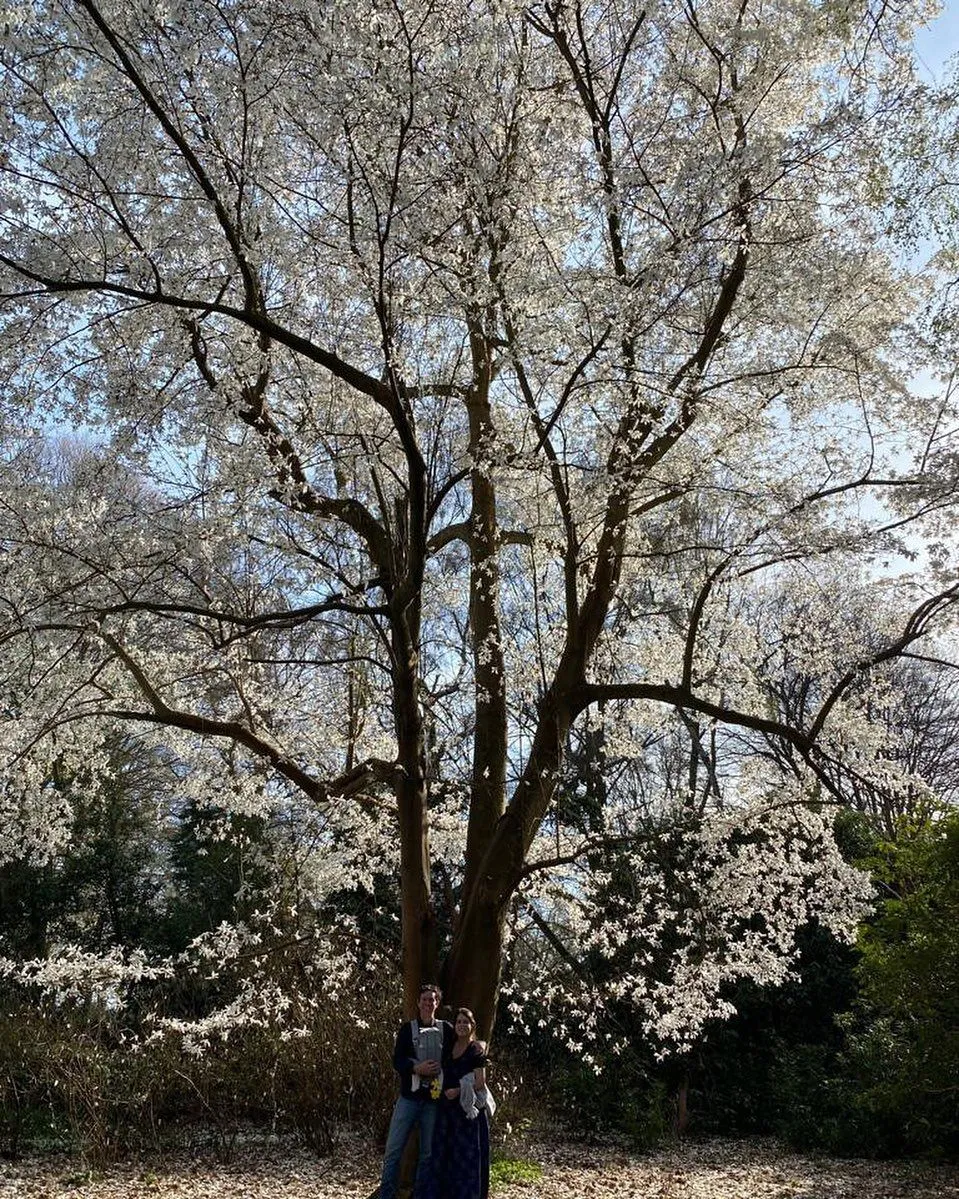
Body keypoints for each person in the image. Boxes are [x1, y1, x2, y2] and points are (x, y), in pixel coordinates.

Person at [378, 983, 455, 1199]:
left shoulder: (446, 1029)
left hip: (433, 1101)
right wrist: (415, 1067)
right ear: (418, 1002)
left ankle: (422, 1195)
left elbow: (459, 1052)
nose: (428, 1003)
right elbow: (397, 1061)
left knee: (428, 1154)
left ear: (437, 1003)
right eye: (424, 1000)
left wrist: (480, 1046)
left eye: (432, 1000)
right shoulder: (406, 1029)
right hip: (409, 1099)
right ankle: (387, 1195)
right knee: (393, 1150)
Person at [433, 1008, 493, 1199]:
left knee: (467, 1160)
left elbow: (480, 1081)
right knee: (447, 1157)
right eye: (458, 1022)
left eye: (465, 1022)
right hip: (447, 1111)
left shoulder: (476, 1049)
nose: (461, 1025)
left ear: (472, 1025)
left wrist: (458, 1091)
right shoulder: (449, 1047)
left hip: (468, 1112)